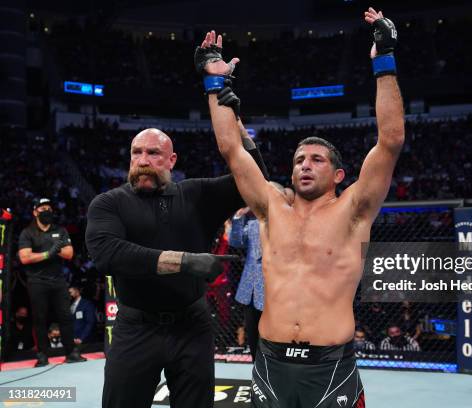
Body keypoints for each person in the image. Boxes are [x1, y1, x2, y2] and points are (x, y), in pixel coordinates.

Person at [203, 7, 404, 406]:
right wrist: (213, 78)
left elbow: (391, 140)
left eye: (316, 160)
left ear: (339, 175)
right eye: (298, 160)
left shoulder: (354, 210)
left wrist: (384, 60)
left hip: (330, 368)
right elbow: (230, 148)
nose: (305, 165)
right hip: (270, 361)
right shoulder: (271, 208)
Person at [85, 74, 269, 406]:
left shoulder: (197, 194)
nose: (143, 161)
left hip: (191, 324)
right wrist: (185, 261)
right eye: (136, 153)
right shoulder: (109, 203)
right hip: (134, 326)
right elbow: (108, 255)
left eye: (153, 153)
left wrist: (236, 123)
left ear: (171, 160)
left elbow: (255, 180)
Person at [17, 197, 86, 367]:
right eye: (42, 208)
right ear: (35, 212)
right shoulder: (28, 232)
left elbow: (69, 253)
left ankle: (71, 353)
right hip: (37, 282)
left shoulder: (60, 230)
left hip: (58, 281)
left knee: (65, 317)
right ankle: (42, 355)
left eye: (48, 208)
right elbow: (24, 257)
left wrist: (54, 250)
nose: (46, 211)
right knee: (40, 319)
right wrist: (49, 252)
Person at [229, 182, 291, 360]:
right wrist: (239, 217)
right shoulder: (253, 223)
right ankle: (257, 375)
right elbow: (236, 242)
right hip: (251, 290)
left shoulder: (289, 223)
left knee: (275, 340)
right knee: (253, 338)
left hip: (276, 291)